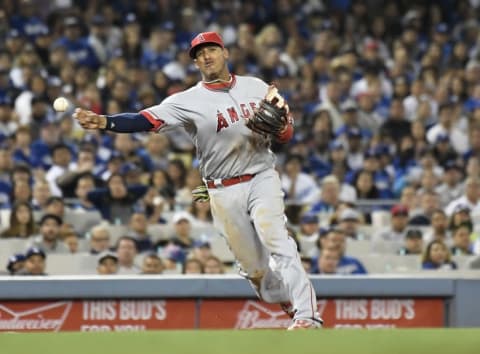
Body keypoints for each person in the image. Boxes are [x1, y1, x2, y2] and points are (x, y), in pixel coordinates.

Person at [74, 31, 322, 329]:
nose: (206, 56)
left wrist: (282, 129)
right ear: (195, 63)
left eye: (211, 50)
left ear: (225, 52)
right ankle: (286, 300)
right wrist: (106, 122)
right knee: (258, 275)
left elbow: (286, 133)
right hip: (222, 189)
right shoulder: (188, 100)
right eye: (199, 54)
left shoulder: (256, 86)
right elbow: (147, 119)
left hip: (261, 175)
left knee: (279, 241)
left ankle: (308, 316)